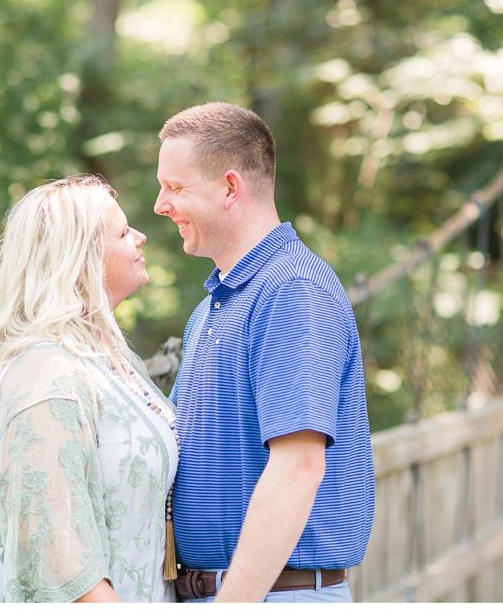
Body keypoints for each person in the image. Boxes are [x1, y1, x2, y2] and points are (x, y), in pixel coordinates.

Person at [153, 102, 375, 603]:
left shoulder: (293, 290)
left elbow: (298, 466)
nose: (159, 205)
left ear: (230, 187)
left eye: (175, 187)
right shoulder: (213, 305)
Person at [0, 175, 177, 603]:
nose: (140, 236)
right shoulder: (47, 373)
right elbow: (57, 555)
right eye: (121, 232)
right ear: (81, 260)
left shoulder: (109, 360)